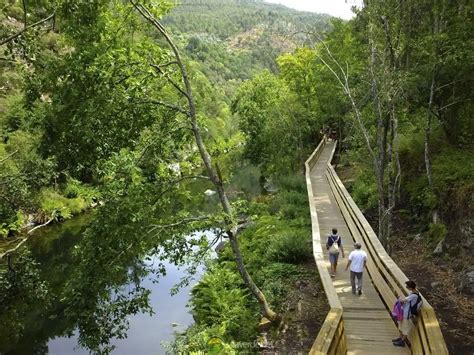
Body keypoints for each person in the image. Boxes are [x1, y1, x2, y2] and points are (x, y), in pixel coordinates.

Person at [392, 280, 421, 347]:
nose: (406, 287)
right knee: (401, 325)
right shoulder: (414, 293)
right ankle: (400, 338)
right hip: (404, 312)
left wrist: (399, 298)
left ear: (410, 288)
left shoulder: (414, 296)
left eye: (407, 286)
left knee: (405, 328)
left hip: (407, 314)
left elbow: (403, 300)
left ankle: (402, 341)